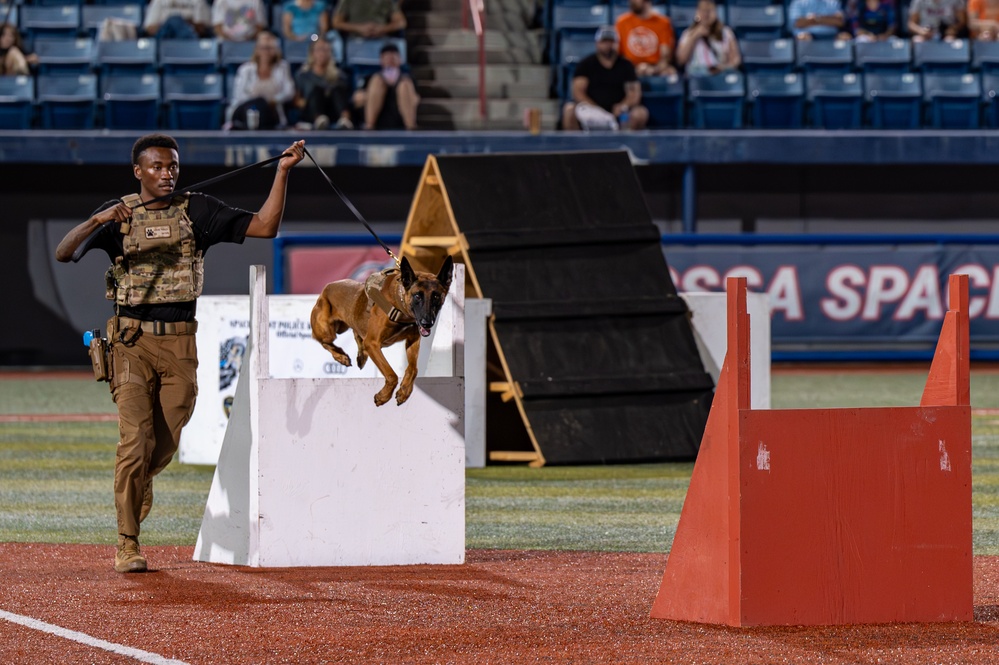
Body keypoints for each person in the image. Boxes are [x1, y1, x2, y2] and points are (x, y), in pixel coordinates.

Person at [53, 134, 306, 573]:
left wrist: (282, 173)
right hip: (130, 344)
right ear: (138, 171)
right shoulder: (119, 215)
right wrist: (97, 220)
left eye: (172, 166)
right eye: (156, 167)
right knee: (135, 441)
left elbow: (266, 226)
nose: (166, 173)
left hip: (180, 346)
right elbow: (64, 251)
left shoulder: (198, 211)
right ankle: (127, 542)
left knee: (164, 442)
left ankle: (138, 484)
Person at [560, 26, 648, 131]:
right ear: (597, 43)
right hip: (592, 111)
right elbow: (578, 92)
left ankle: (626, 144)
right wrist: (595, 108)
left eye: (611, 42)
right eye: (604, 42)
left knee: (640, 113)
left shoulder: (626, 65)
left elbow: (634, 93)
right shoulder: (586, 64)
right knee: (569, 110)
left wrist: (623, 106)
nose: (608, 45)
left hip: (618, 112)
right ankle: (575, 146)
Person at [226, 30, 296, 130]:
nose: (266, 52)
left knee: (262, 105)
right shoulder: (245, 69)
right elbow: (239, 95)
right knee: (258, 103)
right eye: (263, 48)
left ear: (275, 50)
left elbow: (289, 92)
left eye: (269, 48)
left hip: (270, 111)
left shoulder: (282, 67)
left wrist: (274, 100)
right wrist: (257, 100)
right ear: (257, 50)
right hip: (244, 109)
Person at [352, 42, 420, 129]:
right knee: (377, 81)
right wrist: (372, 95)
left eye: (393, 57)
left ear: (399, 59)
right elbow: (357, 99)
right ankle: (369, 128)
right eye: (387, 57)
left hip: (399, 114)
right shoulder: (370, 78)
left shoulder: (408, 78)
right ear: (381, 60)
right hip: (378, 116)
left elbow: (415, 99)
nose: (390, 60)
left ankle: (411, 129)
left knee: (404, 85)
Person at [294, 36, 354, 129]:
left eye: (325, 50)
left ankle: (345, 121)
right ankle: (319, 121)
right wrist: (307, 102)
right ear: (312, 52)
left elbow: (345, 97)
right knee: (317, 91)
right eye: (319, 50)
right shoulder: (303, 75)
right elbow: (297, 100)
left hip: (333, 110)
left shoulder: (339, 75)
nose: (322, 53)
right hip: (311, 111)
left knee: (337, 89)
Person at [675, 0, 741, 78]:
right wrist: (695, 36)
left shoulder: (726, 33)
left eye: (709, 11)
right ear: (697, 12)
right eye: (703, 10)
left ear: (716, 12)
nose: (706, 14)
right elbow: (681, 60)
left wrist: (724, 67)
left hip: (720, 75)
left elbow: (736, 60)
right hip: (696, 77)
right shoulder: (688, 34)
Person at [615, 0, 677, 77]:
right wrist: (633, 69)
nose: (631, 1)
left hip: (655, 69)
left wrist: (653, 69)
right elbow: (619, 55)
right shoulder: (622, 22)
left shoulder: (663, 23)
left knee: (670, 73)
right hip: (629, 69)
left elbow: (665, 56)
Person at [332, 0, 406, 39]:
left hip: (381, 39)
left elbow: (401, 22)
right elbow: (336, 22)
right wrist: (359, 28)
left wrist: (382, 29)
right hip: (355, 40)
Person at [143, 0, 212, 39]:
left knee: (177, 21)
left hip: (189, 33)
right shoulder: (158, 1)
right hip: (165, 36)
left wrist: (184, 23)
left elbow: (202, 28)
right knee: (173, 21)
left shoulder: (198, 1)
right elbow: (150, 28)